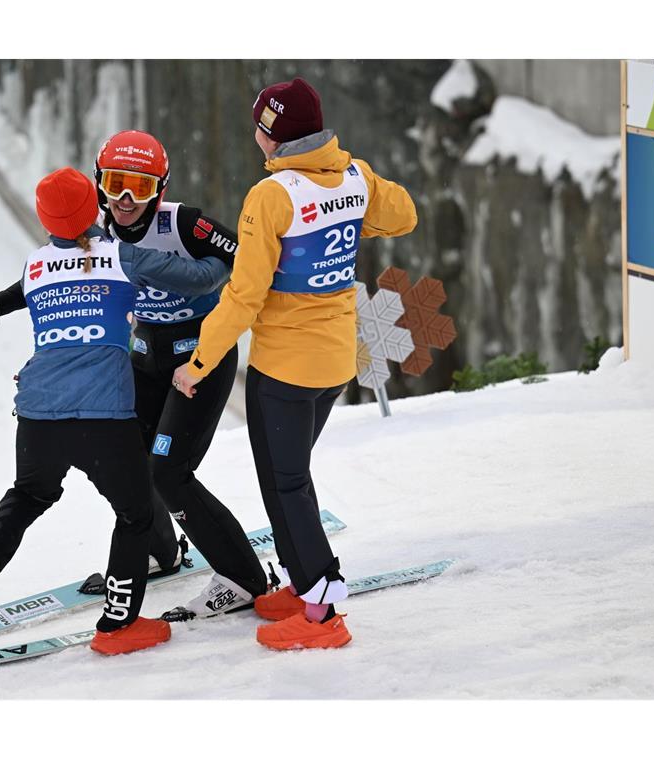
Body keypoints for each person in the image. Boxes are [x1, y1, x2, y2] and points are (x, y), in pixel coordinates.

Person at [173, 77, 418, 650]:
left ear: (273, 135)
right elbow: (403, 214)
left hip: (283, 369)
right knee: (287, 478)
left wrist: (200, 362)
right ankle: (299, 582)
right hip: (334, 364)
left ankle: (323, 606)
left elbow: (244, 294)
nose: (255, 136)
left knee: (287, 485)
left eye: (260, 127)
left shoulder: (273, 196)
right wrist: (354, 212)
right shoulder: (354, 176)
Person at [0, 167, 233, 655]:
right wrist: (231, 256)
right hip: (103, 415)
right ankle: (118, 625)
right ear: (96, 205)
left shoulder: (36, 265)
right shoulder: (122, 255)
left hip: (38, 412)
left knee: (30, 494)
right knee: (137, 511)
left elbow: (21, 292)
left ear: (45, 219)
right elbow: (200, 276)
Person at [80, 130, 270, 616]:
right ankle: (161, 551)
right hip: (145, 355)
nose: (125, 199)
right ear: (99, 183)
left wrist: (209, 286)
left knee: (171, 472)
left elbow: (242, 257)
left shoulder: (182, 222)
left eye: (139, 188)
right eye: (116, 184)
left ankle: (245, 578)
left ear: (159, 190)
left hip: (198, 360)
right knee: (129, 459)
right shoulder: (94, 235)